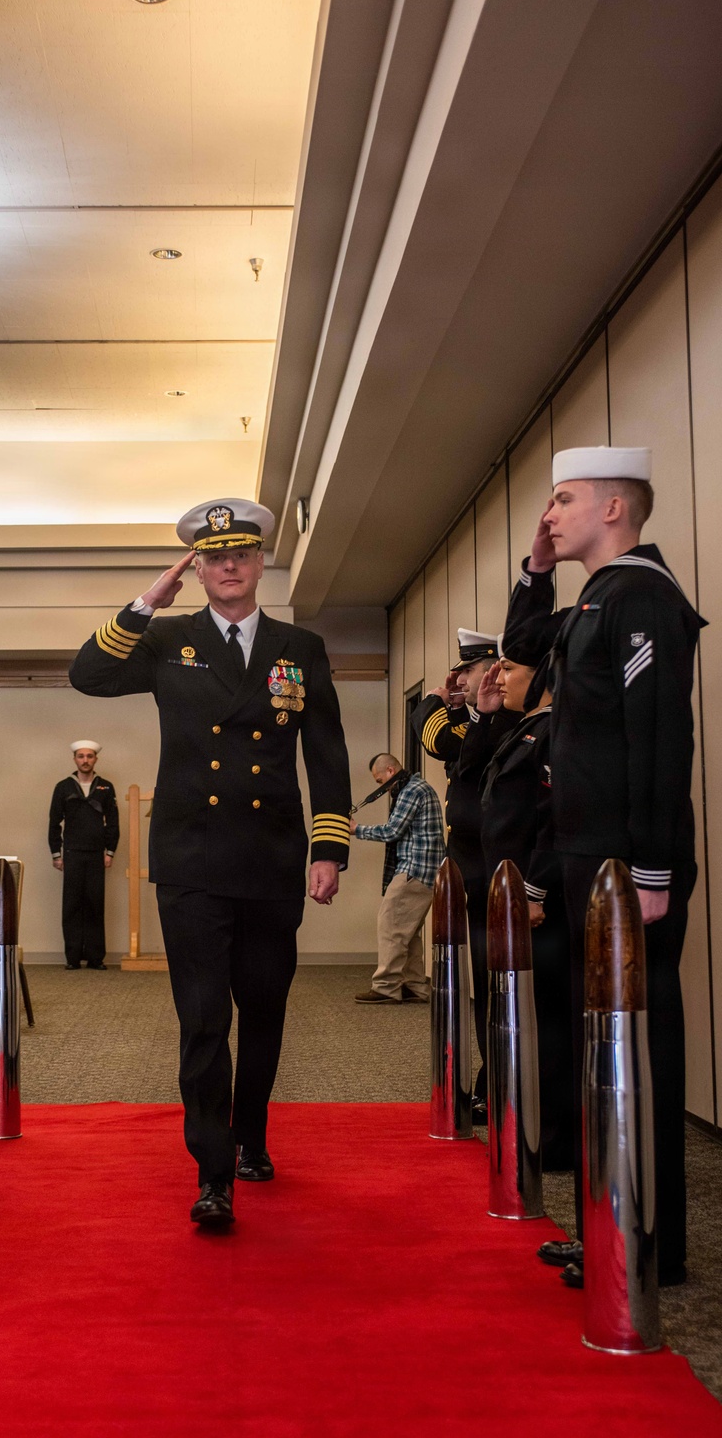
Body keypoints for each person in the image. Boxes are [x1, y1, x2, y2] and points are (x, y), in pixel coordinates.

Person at [69, 498, 351, 1229]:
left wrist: (328, 848)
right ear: (196, 570)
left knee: (263, 1009)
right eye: (214, 557)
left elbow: (326, 753)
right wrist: (144, 604)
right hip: (192, 858)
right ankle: (213, 1172)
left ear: (259, 564)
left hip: (270, 857)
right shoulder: (168, 639)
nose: (229, 566)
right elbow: (87, 675)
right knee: (202, 1018)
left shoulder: (300, 646)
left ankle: (251, 1135)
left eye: (241, 555)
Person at [505, 444, 704, 1288]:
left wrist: (651, 873)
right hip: (589, 856)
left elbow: (660, 741)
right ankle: (611, 1225)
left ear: (614, 508)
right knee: (603, 1047)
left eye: (564, 499)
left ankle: (649, 1243)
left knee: (639, 1048)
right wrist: (535, 569)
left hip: (627, 862)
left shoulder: (642, 599)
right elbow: (522, 645)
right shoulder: (597, 597)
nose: (549, 514)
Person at [476, 618, 574, 1170]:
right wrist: (489, 714)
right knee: (527, 1016)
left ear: (544, 675)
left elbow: (554, 818)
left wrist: (533, 891)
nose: (498, 675)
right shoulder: (526, 728)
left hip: (543, 903)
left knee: (550, 1021)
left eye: (510, 668)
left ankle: (555, 1140)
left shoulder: (558, 729)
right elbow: (475, 775)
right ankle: (535, 1125)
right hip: (513, 895)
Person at [410, 631, 519, 1119]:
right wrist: (460, 707)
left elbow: (444, 744)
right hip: (474, 866)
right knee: (483, 984)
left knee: (499, 983)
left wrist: (439, 703)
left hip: (496, 866)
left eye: (468, 670)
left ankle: (497, 1085)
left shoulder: (506, 721)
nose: (460, 679)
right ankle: (490, 1084)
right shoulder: (483, 720)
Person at [351, 754, 445, 1004]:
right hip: (425, 870)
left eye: (379, 780)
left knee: (390, 924)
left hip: (414, 869)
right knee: (408, 931)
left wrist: (356, 830)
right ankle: (414, 985)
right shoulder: (418, 787)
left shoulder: (411, 790)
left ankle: (386, 986)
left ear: (391, 771)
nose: (381, 786)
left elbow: (392, 831)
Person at [49, 741, 119, 970]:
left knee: (95, 905)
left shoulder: (106, 787)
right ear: (75, 759)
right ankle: (72, 958)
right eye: (81, 756)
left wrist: (110, 851)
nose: (85, 760)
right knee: (72, 906)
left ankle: (96, 958)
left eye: (89, 756)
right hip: (72, 854)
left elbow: (113, 822)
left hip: (96, 854)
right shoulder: (63, 787)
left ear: (95, 759)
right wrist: (56, 854)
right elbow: (54, 822)